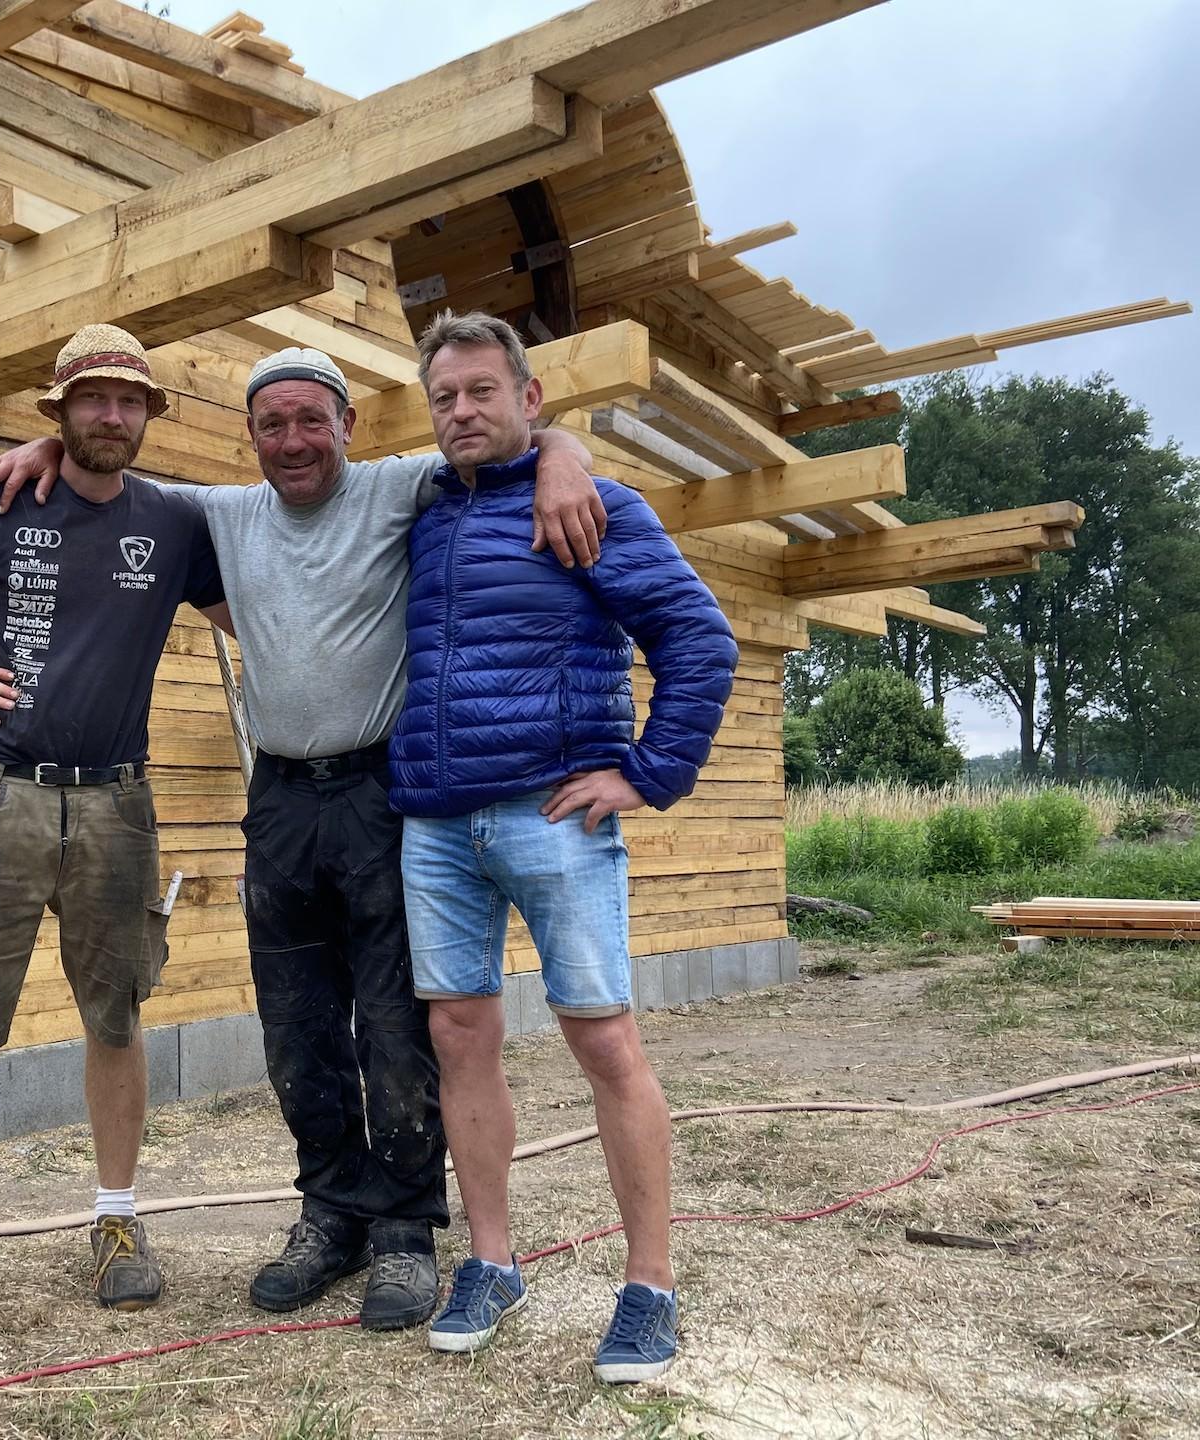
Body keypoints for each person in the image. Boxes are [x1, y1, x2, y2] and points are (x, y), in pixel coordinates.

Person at [0, 341, 606, 1332]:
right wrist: (47, 451)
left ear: (349, 425)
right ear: (250, 436)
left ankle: (402, 1230)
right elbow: (106, 469)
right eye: (272, 424)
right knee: (298, 1021)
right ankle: (330, 1213)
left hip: (379, 788)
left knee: (393, 1018)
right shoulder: (215, 513)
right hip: (279, 801)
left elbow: (512, 439)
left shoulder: (400, 487)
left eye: (313, 419)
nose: (294, 440)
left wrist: (563, 451)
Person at [0, 324, 231, 1357]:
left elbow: (257, 607)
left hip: (118, 804)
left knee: (117, 1014)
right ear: (57, 412)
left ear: (149, 416)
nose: (113, 415)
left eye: (130, 400)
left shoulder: (180, 522)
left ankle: (114, 1218)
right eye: (93, 398)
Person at [388, 310, 737, 1374]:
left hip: (554, 813)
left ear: (529, 400)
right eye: (445, 396)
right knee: (458, 1036)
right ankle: (491, 1264)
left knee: (601, 1039)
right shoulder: (422, 514)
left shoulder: (592, 502)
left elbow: (699, 638)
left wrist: (647, 771)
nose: (462, 411)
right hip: (437, 823)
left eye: (482, 391)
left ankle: (649, 1289)